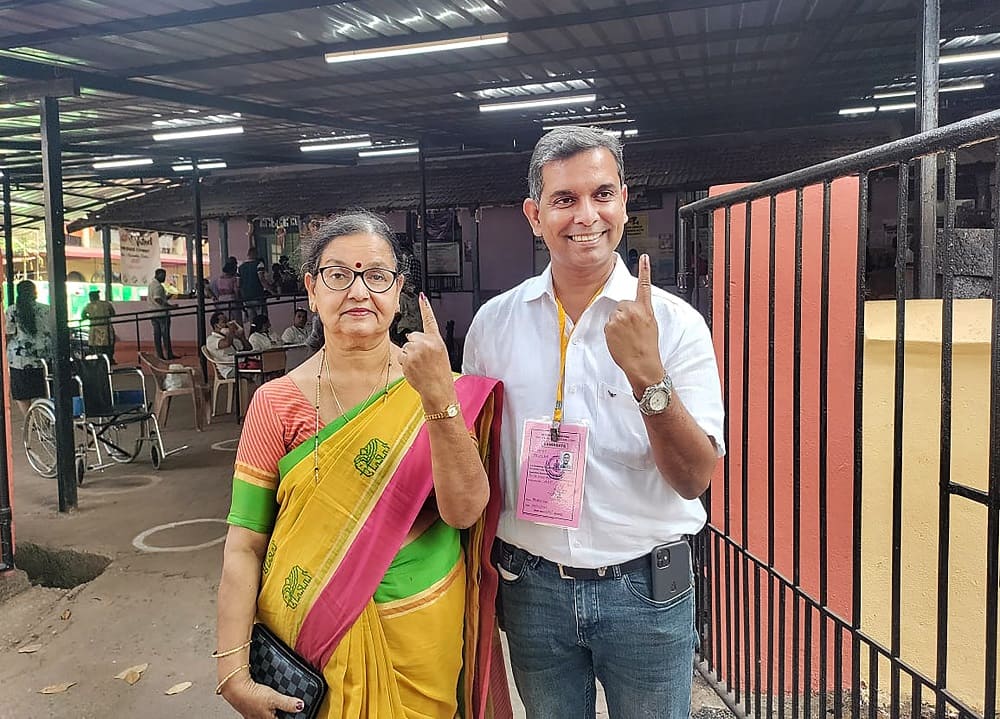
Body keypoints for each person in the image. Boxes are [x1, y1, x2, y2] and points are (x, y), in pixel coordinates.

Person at [463, 126, 725, 719]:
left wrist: (646, 378)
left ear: (624, 201)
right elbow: (472, 461)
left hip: (646, 589)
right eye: (564, 200)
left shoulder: (676, 325)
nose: (586, 215)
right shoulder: (494, 325)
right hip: (531, 588)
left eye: (601, 194)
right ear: (535, 215)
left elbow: (694, 478)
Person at [215, 211, 511, 719]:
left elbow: (464, 512)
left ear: (398, 292)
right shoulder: (277, 402)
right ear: (311, 290)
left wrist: (438, 398)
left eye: (376, 275)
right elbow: (245, 544)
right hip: (312, 644)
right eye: (338, 275)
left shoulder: (443, 388)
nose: (357, 291)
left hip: (422, 632)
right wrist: (232, 672)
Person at [5, 280, 53, 415]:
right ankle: (46, 418)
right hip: (43, 358)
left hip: (20, 360)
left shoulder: (12, 311)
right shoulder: (47, 309)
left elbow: (8, 332)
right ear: (35, 292)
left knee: (22, 394)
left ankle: (29, 419)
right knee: (44, 390)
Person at [147, 268, 179, 360]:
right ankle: (168, 354)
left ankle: (160, 355)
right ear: (158, 275)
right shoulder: (158, 286)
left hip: (153, 313)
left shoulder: (151, 285)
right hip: (161, 313)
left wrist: (166, 297)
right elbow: (158, 299)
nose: (164, 278)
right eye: (163, 276)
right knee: (165, 335)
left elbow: (157, 298)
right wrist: (170, 306)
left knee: (157, 336)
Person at [205, 311, 248, 379]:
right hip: (229, 369)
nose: (228, 324)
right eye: (224, 322)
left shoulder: (231, 337)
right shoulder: (211, 339)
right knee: (255, 372)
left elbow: (248, 348)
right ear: (216, 325)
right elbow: (227, 343)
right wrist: (230, 331)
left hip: (241, 363)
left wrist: (241, 336)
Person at [81, 289, 116, 362]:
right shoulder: (106, 304)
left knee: (95, 345)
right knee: (109, 344)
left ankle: (98, 360)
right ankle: (110, 359)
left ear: (91, 298)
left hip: (94, 328)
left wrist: (91, 318)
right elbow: (113, 313)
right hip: (106, 327)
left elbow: (83, 315)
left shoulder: (88, 306)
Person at [238, 246, 269, 319]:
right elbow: (262, 279)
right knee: (261, 318)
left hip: (246, 297)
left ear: (248, 254)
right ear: (256, 254)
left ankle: (253, 330)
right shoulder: (259, 264)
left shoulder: (240, 267)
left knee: (252, 319)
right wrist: (272, 291)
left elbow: (238, 284)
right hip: (258, 295)